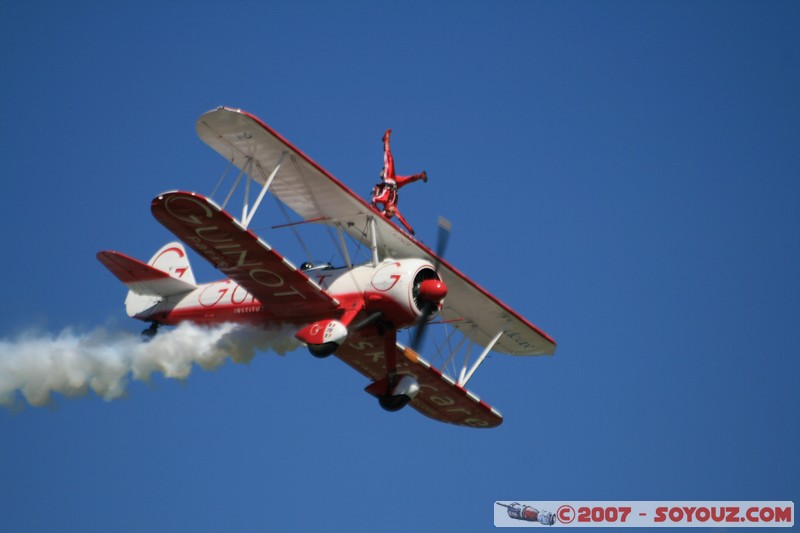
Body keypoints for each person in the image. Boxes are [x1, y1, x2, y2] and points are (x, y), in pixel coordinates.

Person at [371, 129, 427, 235]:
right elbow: (402, 220)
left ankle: (386, 141)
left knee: (390, 159)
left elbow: (374, 199)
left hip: (389, 180)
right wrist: (410, 230)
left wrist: (374, 209)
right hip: (395, 185)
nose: (392, 211)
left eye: (390, 212)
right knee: (408, 179)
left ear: (387, 210)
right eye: (392, 213)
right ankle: (420, 176)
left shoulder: (383, 199)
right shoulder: (395, 209)